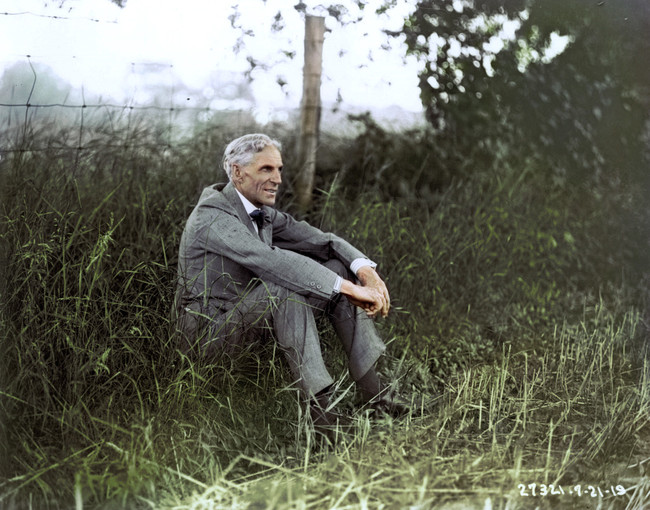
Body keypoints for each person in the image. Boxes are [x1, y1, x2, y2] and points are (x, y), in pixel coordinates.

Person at [174, 133, 407, 437]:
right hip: (207, 338)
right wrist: (350, 289)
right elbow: (270, 261)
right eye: (266, 169)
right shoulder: (212, 216)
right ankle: (322, 422)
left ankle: (377, 398)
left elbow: (324, 241)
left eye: (279, 169)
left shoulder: (260, 212)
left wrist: (366, 273)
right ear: (237, 172)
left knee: (338, 268)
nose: (278, 179)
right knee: (283, 290)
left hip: (248, 319)